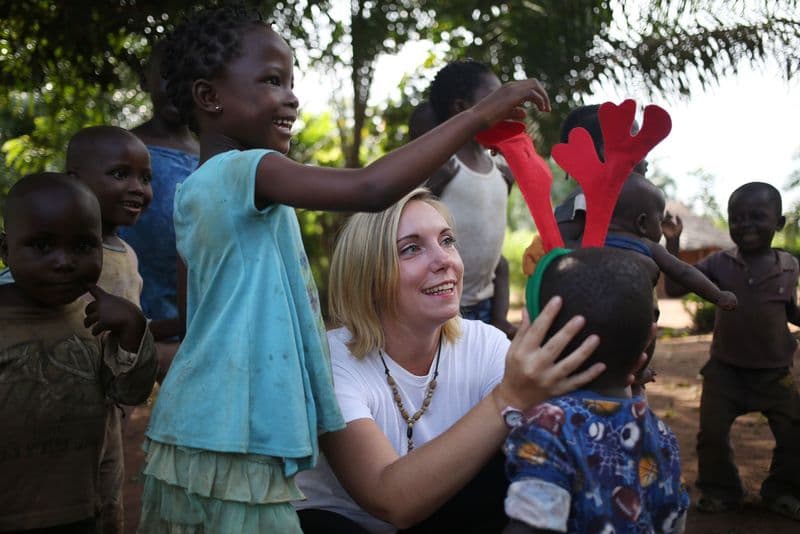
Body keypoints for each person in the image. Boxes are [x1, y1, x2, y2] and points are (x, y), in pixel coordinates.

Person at [139, 5, 552, 533]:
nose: (291, 96)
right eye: (272, 80)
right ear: (208, 96)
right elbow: (370, 188)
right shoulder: (247, 170)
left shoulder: (196, 195)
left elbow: (196, 317)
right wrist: (479, 116)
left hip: (206, 419)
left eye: (291, 82)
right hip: (231, 427)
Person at [295, 188, 624, 534]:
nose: (444, 260)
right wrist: (508, 398)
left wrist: (608, 371)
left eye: (447, 241)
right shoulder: (331, 362)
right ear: (369, 276)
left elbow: (570, 441)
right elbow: (388, 498)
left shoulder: (484, 345)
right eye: (411, 248)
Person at [0, 173, 157, 532]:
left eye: (83, 246)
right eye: (42, 245)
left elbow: (129, 393)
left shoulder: (95, 318)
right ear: (6, 250)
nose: (64, 261)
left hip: (81, 510)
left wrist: (134, 329)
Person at [503, 247, 690, 534]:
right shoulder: (662, 435)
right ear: (643, 350)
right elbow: (675, 520)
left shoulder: (548, 429)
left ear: (547, 341)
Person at [664, 182, 800, 520]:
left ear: (779, 223)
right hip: (725, 372)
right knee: (711, 435)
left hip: (776, 374)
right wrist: (673, 241)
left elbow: (789, 310)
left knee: (793, 433)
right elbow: (676, 287)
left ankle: (782, 491)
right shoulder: (719, 263)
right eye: (737, 218)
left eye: (757, 217)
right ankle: (720, 490)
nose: (745, 224)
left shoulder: (789, 265)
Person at [66, 125, 154, 533]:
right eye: (120, 174)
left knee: (107, 504)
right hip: (61, 406)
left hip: (107, 413)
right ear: (75, 181)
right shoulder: (59, 253)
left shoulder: (128, 256)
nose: (138, 188)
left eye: (146, 178)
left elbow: (132, 323)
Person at [120, 40, 200, 380]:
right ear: (145, 79)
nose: (177, 87)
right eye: (168, 75)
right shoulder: (120, 150)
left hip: (190, 325)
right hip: (123, 313)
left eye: (188, 76)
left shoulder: (212, 158)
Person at [422, 60, 518, 339]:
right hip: (444, 305)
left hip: (486, 304)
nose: (505, 105)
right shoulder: (441, 165)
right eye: (495, 97)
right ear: (461, 107)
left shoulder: (499, 169)